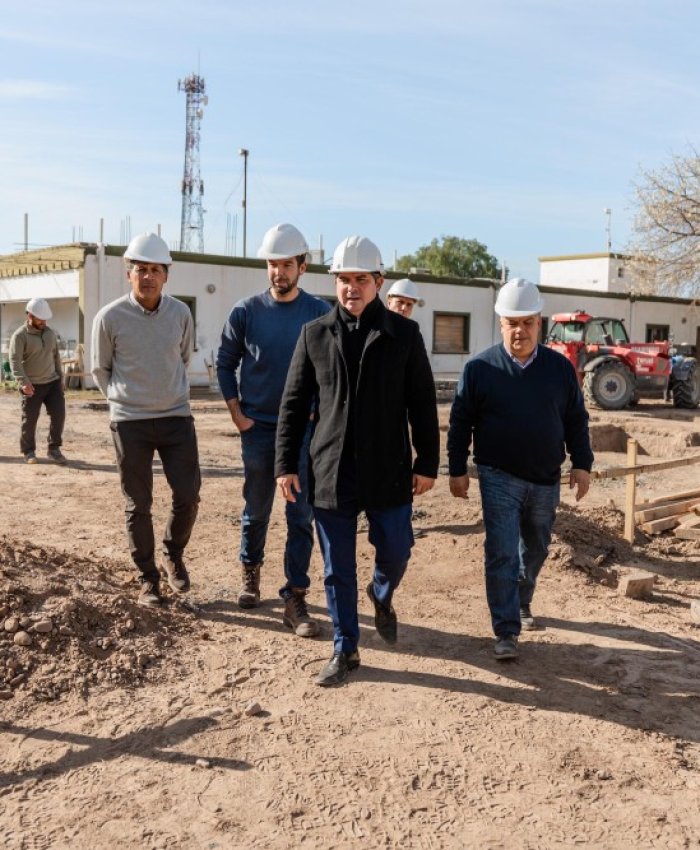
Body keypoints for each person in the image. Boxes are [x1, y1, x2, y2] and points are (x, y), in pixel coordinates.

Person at [275, 235, 440, 686]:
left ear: (379, 282)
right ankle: (345, 649)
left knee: (397, 548)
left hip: (387, 468)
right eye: (344, 279)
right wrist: (285, 464)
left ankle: (382, 593)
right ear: (335, 282)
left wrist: (427, 461)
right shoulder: (314, 334)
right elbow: (293, 402)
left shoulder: (403, 334)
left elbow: (422, 402)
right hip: (330, 470)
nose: (351, 288)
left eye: (361, 279)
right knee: (336, 569)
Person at [447, 278, 593, 661]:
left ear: (539, 323)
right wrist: (457, 468)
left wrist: (582, 464)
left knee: (537, 547)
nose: (519, 330)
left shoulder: (560, 369)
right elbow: (461, 420)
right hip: (498, 475)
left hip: (545, 477)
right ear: (500, 323)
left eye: (527, 322)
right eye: (512, 322)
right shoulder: (479, 368)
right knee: (501, 552)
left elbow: (577, 419)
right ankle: (506, 630)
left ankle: (522, 598)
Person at [216, 223, 330, 637]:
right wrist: (237, 414)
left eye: (286, 264)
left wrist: (321, 417)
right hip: (259, 428)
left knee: (301, 515)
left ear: (302, 266)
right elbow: (225, 362)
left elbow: (332, 372)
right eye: (272, 264)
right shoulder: (246, 311)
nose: (278, 272)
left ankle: (294, 596)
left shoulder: (319, 313)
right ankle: (251, 571)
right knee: (257, 507)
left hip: (303, 433)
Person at [91, 232, 201, 608]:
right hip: (130, 423)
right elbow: (101, 370)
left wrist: (164, 393)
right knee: (138, 504)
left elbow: (182, 359)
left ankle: (172, 553)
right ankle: (148, 580)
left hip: (176, 418)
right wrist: (125, 403)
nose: (148, 276)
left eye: (156, 270)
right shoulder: (110, 317)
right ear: (129, 274)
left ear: (166, 275)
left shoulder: (181, 314)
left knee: (187, 496)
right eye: (141, 269)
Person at [9, 297, 67, 464]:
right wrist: (24, 383)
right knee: (30, 419)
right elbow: (14, 361)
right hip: (32, 385)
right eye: (40, 318)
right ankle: (28, 451)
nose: (44, 321)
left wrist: (60, 378)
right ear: (30, 316)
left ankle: (54, 449)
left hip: (52, 383)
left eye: (45, 318)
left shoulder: (49, 333)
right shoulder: (20, 336)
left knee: (59, 415)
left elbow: (56, 356)